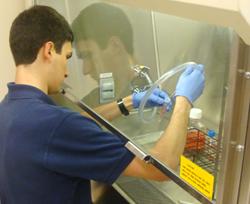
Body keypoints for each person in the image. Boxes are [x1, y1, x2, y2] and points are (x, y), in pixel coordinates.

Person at [0, 5, 205, 204]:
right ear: (49, 50)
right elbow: (162, 167)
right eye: (67, 56)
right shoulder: (57, 126)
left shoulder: (8, 109)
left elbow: (70, 126)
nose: (68, 72)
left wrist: (128, 102)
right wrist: (184, 100)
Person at [71, 3, 150, 107]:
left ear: (115, 46)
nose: (85, 70)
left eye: (88, 55)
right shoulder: (90, 103)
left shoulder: (150, 101)